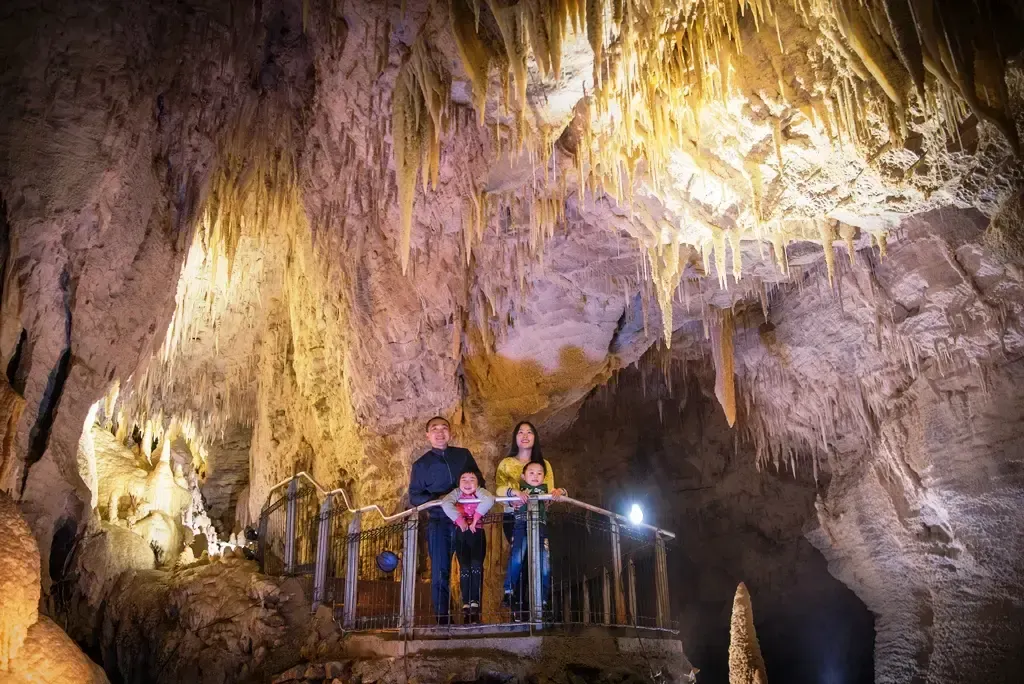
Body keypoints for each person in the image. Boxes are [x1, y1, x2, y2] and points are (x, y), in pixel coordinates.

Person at [408, 416, 484, 624]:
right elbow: (414, 496)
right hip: (439, 522)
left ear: (450, 433)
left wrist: (467, 495)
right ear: (427, 435)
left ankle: (473, 616)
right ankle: (442, 618)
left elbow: (480, 481)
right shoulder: (421, 465)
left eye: (444, 428)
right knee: (441, 569)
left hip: (467, 519)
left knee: (472, 566)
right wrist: (438, 500)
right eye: (434, 429)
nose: (440, 432)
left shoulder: (463, 456)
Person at [494, 421, 566, 609]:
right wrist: (512, 498)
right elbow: (499, 489)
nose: (525, 435)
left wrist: (556, 494)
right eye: (520, 432)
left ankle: (534, 607)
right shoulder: (506, 464)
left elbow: (549, 491)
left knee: (537, 560)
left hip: (538, 517)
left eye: (529, 432)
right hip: (514, 517)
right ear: (515, 438)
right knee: (519, 557)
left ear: (535, 437)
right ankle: (516, 607)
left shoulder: (545, 465)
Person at [502, 460, 559, 618]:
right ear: (523, 476)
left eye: (539, 473)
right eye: (531, 473)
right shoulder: (519, 490)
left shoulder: (546, 491)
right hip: (521, 526)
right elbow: (502, 491)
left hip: (540, 527)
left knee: (544, 564)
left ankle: (543, 601)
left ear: (544, 477)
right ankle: (509, 591)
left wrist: (560, 492)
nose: (535, 476)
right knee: (517, 558)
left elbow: (562, 494)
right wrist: (514, 494)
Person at [441, 469, 495, 624]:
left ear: (478, 484)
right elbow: (446, 503)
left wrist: (477, 517)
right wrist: (460, 521)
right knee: (464, 567)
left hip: (477, 532)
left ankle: (475, 601)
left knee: (476, 566)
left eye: (472, 479)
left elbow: (489, 499)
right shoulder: (457, 493)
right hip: (462, 532)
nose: (467, 482)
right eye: (463, 479)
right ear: (458, 483)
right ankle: (466, 601)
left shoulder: (480, 493)